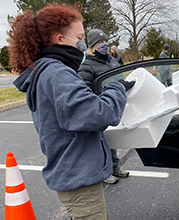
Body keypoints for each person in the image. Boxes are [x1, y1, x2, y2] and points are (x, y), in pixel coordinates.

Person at [9, 4, 134, 220]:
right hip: (79, 182)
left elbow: (76, 111)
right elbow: (99, 114)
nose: (83, 44)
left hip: (74, 176)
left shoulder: (49, 70)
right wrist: (115, 87)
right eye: (79, 37)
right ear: (59, 39)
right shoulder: (57, 73)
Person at [78, 29, 129, 184]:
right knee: (102, 143)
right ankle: (104, 173)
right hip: (101, 106)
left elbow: (118, 77)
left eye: (105, 41)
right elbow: (84, 88)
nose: (104, 45)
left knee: (112, 140)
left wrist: (124, 85)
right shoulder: (86, 64)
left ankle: (114, 166)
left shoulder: (111, 60)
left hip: (114, 105)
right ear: (93, 46)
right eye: (100, 43)